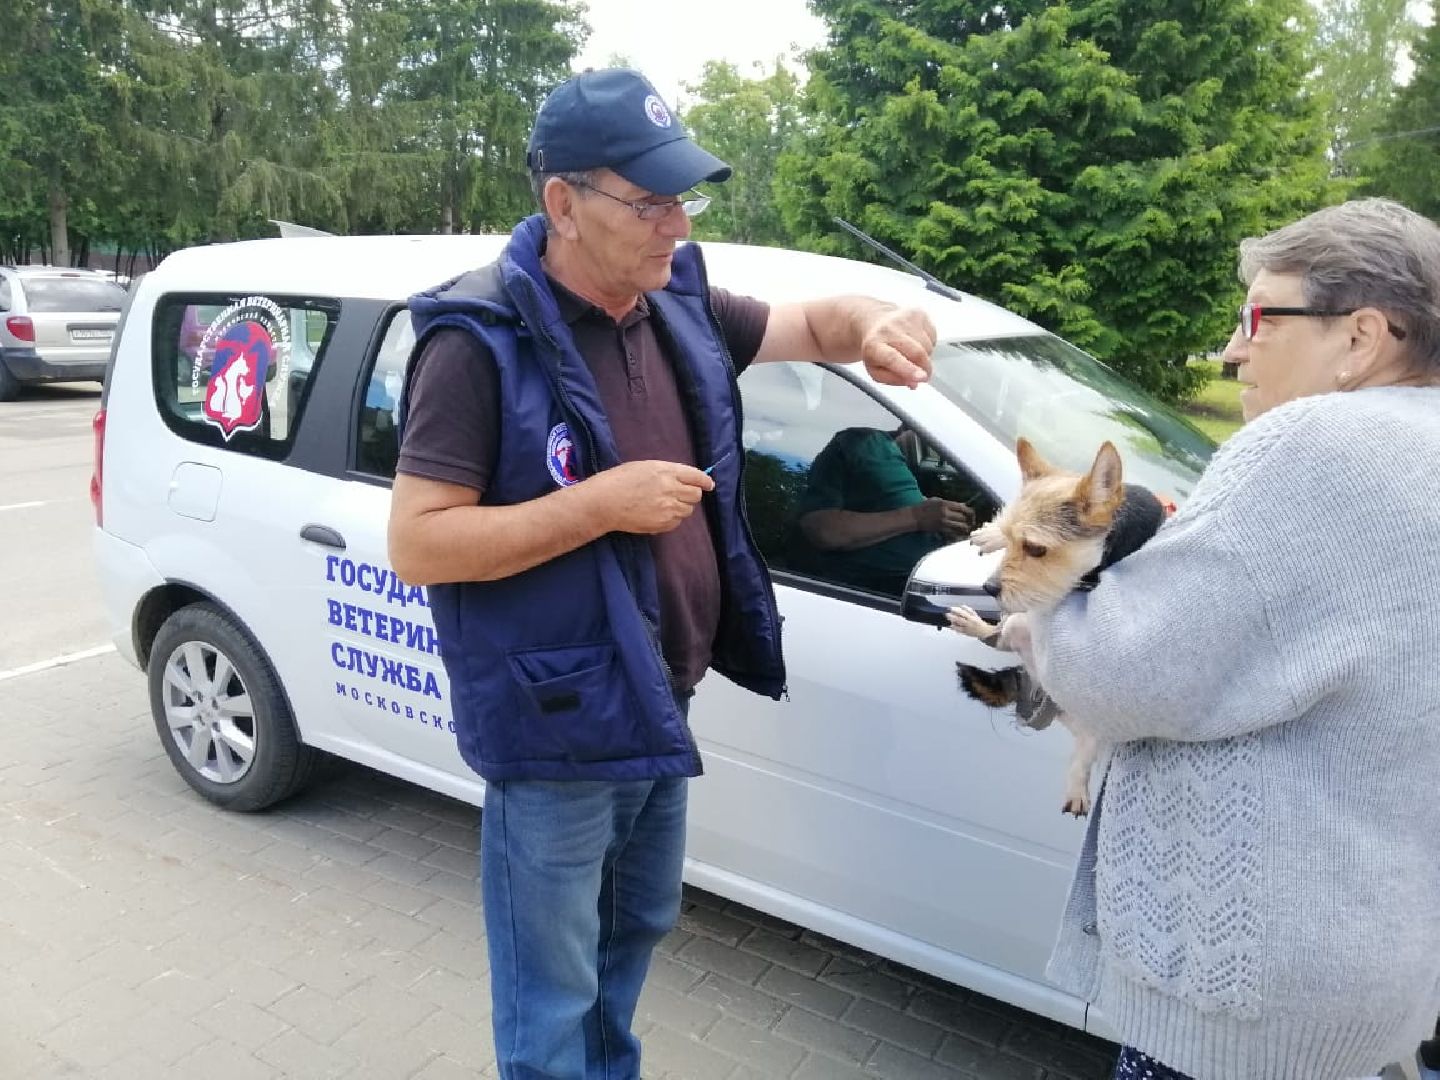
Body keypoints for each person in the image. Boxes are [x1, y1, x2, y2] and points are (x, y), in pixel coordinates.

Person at [386, 67, 938, 1080]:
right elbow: (420, 542)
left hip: (656, 701)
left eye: (684, 197)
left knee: (631, 936)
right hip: (553, 729)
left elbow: (814, 326)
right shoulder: (479, 343)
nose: (675, 223)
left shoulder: (674, 302)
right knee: (553, 997)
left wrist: (869, 325)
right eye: (648, 202)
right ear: (562, 203)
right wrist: (599, 505)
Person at [1017, 197, 1440, 1080]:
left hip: (1250, 1002)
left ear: (1360, 338)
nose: (1232, 350)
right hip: (1379, 953)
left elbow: (1125, 676)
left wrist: (1041, 595)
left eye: (1257, 318)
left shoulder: (1312, 443)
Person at [789, 424, 974, 594]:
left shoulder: (927, 474)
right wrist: (916, 517)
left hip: (922, 601)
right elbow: (822, 529)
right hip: (863, 600)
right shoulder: (865, 444)